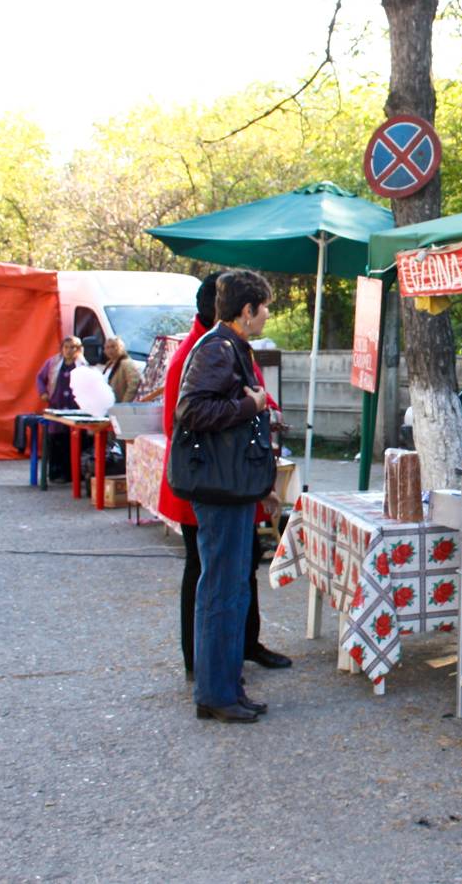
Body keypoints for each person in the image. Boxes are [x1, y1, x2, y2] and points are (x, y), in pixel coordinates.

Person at [158, 272, 291, 683]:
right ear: (244, 309)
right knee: (211, 583)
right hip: (213, 483)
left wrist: (262, 409)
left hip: (232, 482)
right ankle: (207, 670)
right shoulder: (211, 350)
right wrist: (251, 407)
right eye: (263, 307)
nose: (268, 314)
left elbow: (240, 399)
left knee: (232, 578)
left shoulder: (229, 347)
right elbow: (189, 416)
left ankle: (230, 660)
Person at [36, 336, 87, 482]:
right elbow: (40, 378)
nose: (69, 350)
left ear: (78, 350)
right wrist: (43, 393)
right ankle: (56, 474)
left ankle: (73, 474)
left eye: (73, 348)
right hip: (56, 407)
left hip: (75, 409)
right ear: (62, 349)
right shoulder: (53, 363)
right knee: (57, 439)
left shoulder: (83, 365)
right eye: (66, 347)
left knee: (74, 440)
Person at [101, 337, 141, 403]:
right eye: (107, 347)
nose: (110, 350)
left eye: (113, 346)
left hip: (119, 408)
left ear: (121, 348)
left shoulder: (127, 363)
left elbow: (134, 384)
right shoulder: (109, 364)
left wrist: (124, 405)